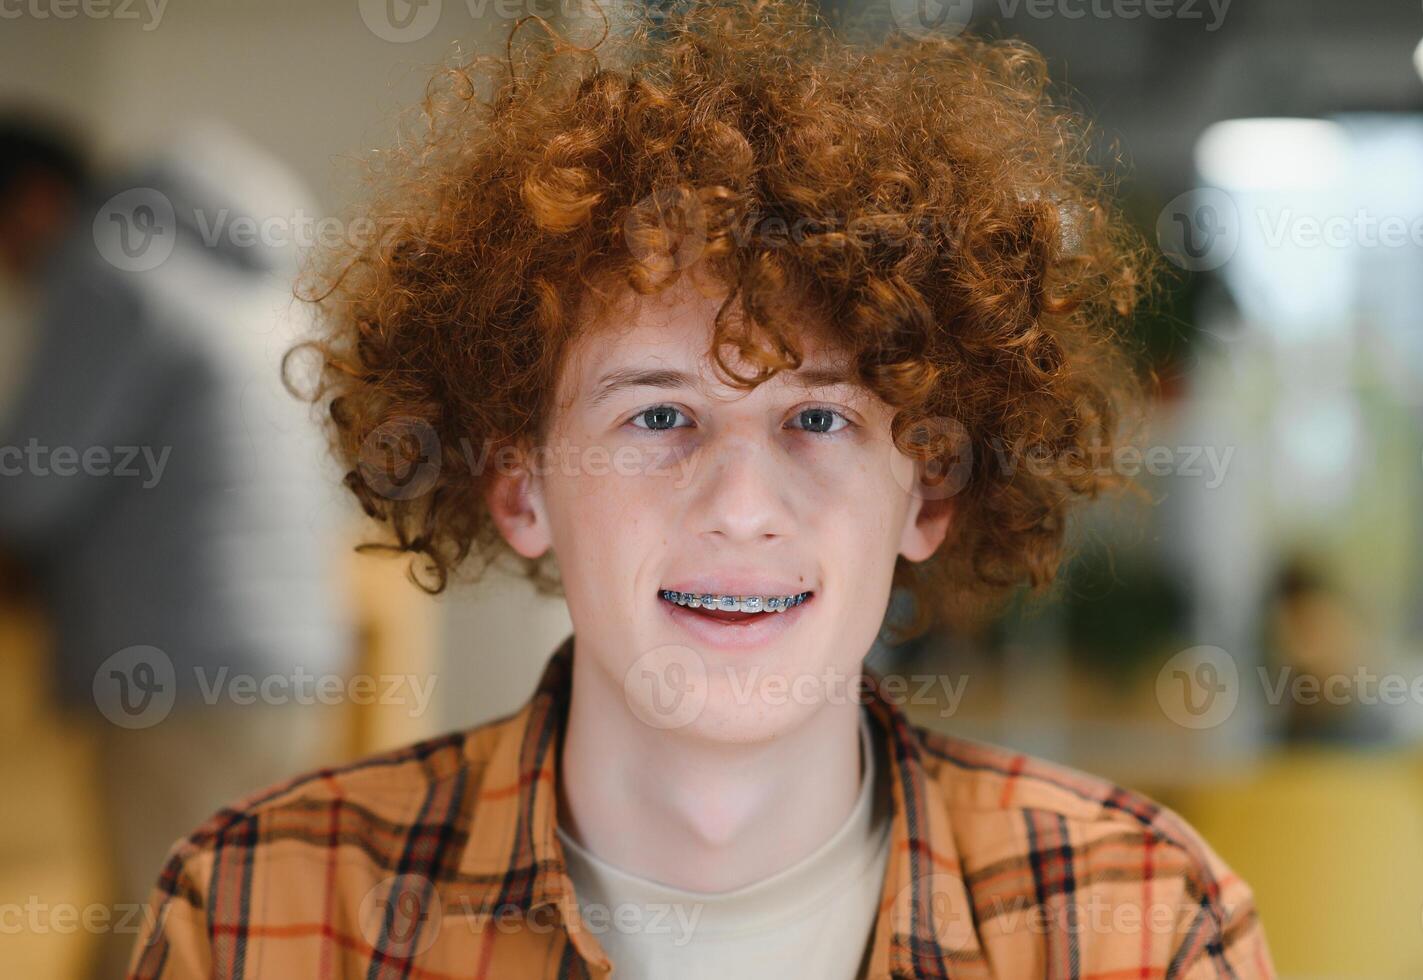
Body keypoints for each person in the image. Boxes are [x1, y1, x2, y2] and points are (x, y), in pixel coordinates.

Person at [126, 1, 1276, 976]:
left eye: (817, 418)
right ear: (518, 482)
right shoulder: (258, 915)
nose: (739, 503)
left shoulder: (1140, 922)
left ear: (926, 491)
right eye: (659, 414)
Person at [0, 114, 352, 980]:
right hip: (295, 654)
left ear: (32, 201)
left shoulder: (106, 272)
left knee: (158, 927)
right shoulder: (263, 285)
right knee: (238, 920)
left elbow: (30, 491)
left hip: (177, 664)